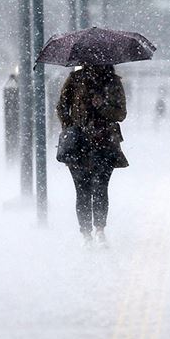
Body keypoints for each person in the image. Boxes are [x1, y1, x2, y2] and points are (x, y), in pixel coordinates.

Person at [56, 64, 128, 247]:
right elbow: (61, 107)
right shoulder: (75, 80)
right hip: (79, 144)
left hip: (104, 142)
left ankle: (100, 230)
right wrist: (71, 127)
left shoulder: (113, 82)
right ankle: (86, 233)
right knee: (82, 190)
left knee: (101, 188)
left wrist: (102, 106)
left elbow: (121, 114)